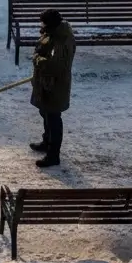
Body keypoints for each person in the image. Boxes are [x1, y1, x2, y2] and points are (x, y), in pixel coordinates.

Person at [29, 9, 75, 167]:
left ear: (50, 24)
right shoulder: (53, 33)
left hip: (55, 85)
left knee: (53, 117)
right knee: (45, 112)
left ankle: (53, 155)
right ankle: (46, 142)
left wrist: (37, 59)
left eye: (43, 23)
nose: (41, 26)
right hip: (47, 83)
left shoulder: (61, 41)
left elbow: (54, 66)